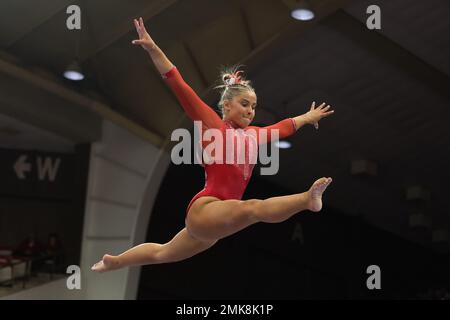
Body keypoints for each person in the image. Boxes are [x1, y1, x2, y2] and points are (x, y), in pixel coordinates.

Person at [92, 17, 334, 272]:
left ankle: (115, 262)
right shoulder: (213, 125)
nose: (251, 111)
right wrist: (153, 49)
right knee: (253, 209)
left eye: (253, 106)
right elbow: (179, 85)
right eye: (244, 104)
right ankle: (306, 199)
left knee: (163, 253)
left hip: (216, 221)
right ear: (227, 105)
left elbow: (282, 128)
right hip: (206, 208)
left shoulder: (253, 135)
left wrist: (307, 117)